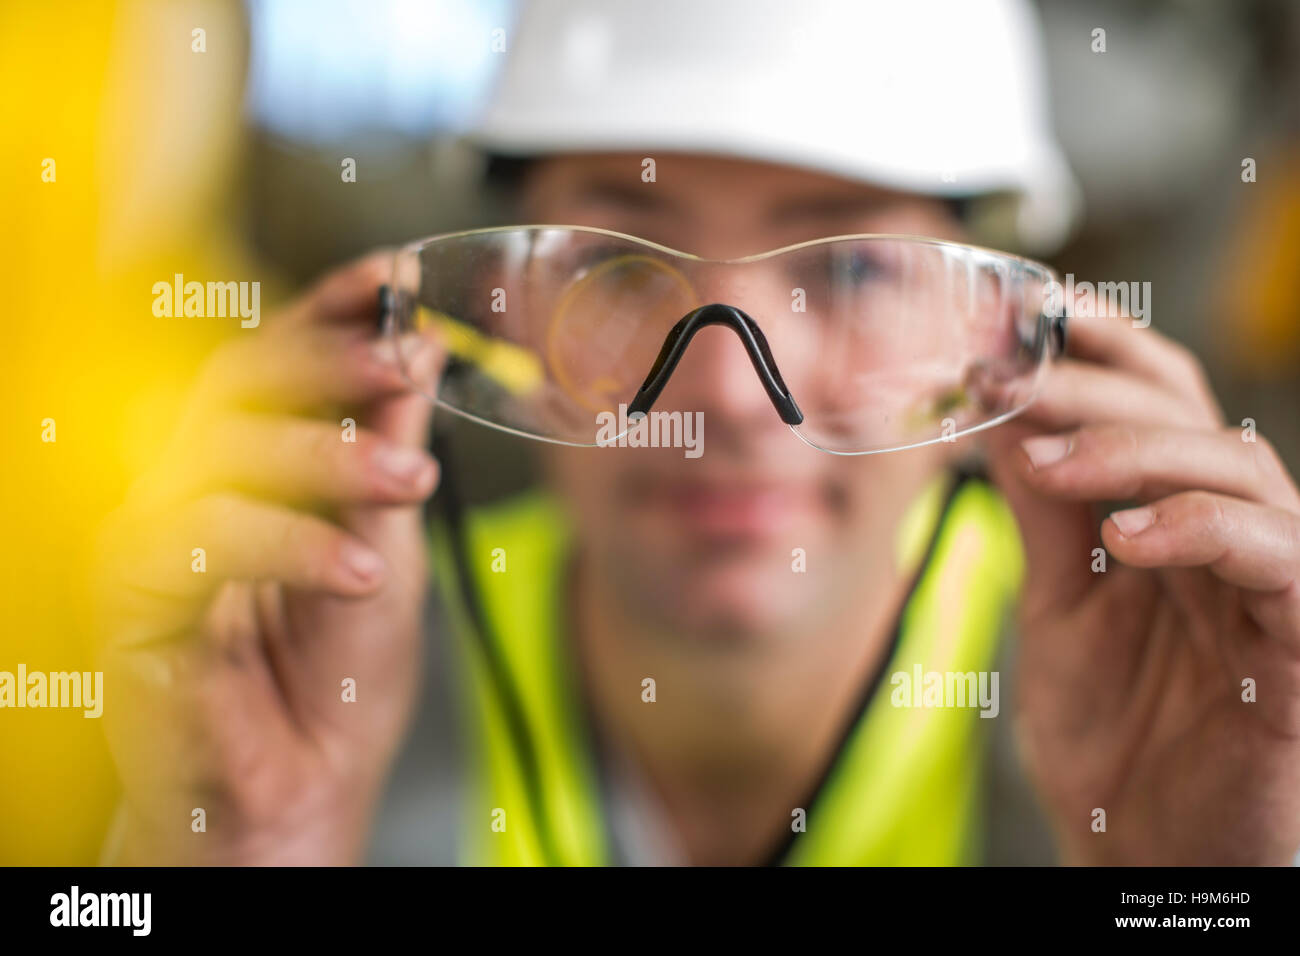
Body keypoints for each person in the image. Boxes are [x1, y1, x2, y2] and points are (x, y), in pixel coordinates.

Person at [96, 0, 1300, 866]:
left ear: (988, 344)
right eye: (620, 268)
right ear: (502, 315)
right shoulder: (317, 666)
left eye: (854, 267)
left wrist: (1199, 887)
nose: (723, 392)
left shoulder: (1164, 679)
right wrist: (238, 847)